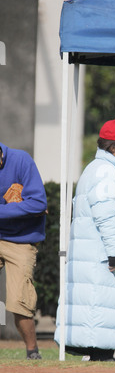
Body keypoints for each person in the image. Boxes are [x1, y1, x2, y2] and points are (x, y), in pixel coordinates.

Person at [54, 119, 115, 361]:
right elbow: (106, 217)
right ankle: (99, 355)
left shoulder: (98, 168)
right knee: (99, 313)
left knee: (97, 314)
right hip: (103, 257)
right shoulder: (106, 172)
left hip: (96, 255)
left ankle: (98, 354)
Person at [0, 143, 47, 359]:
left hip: (20, 240)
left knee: (20, 299)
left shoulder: (21, 160)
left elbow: (38, 203)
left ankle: (32, 352)